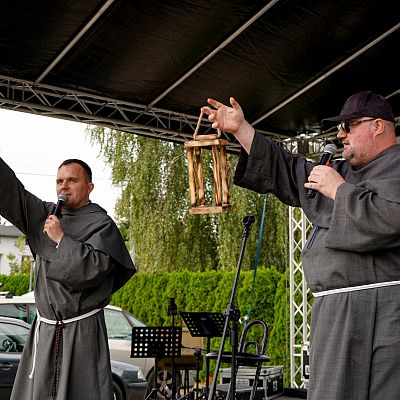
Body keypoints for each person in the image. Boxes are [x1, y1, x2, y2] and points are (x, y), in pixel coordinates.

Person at [201, 91, 400, 399]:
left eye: (350, 125)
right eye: (340, 127)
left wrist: (340, 191)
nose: (340, 134)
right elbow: (288, 168)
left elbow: (390, 218)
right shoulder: (340, 170)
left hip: (382, 309)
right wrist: (241, 130)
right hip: (333, 310)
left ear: (378, 126)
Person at [0, 157, 136, 400]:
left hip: (81, 332)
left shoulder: (102, 225)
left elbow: (92, 270)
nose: (64, 186)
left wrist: (61, 239)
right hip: (44, 331)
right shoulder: (46, 215)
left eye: (72, 180)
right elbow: (13, 193)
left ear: (89, 187)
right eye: (59, 181)